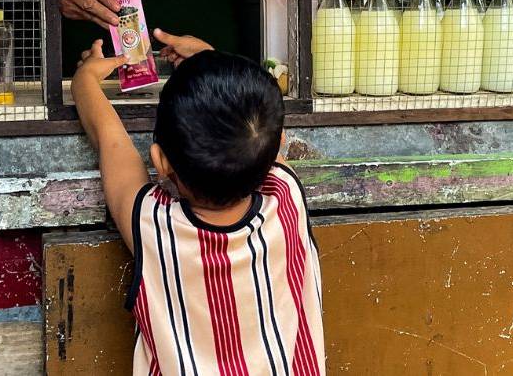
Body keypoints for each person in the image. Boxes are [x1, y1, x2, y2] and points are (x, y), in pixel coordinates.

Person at [72, 29, 326, 375]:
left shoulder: (154, 226)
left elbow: (109, 138)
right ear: (279, 146)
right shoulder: (286, 197)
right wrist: (209, 58)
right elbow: (253, 133)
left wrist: (86, 78)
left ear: (160, 162)